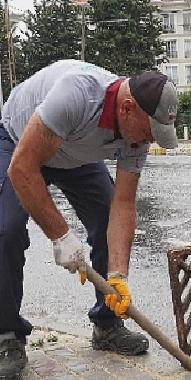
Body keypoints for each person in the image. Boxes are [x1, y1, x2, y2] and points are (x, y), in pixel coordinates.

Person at [0, 59, 179, 378]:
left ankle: (107, 326)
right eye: (149, 131)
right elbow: (22, 169)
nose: (149, 141)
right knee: (6, 231)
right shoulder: (76, 95)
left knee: (104, 215)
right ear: (126, 109)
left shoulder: (136, 133)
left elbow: (123, 206)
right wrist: (61, 236)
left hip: (75, 156)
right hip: (19, 142)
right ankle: (7, 336)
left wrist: (118, 276)